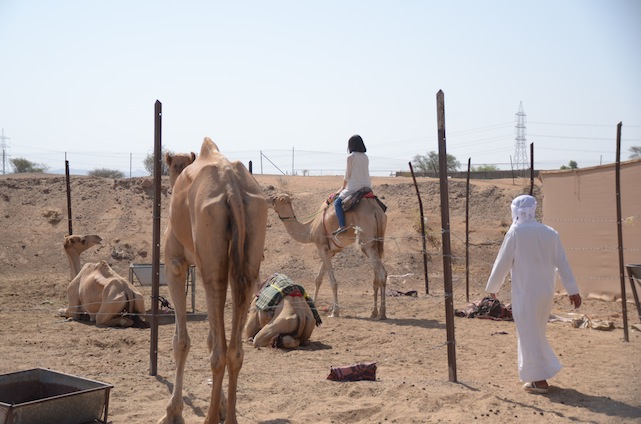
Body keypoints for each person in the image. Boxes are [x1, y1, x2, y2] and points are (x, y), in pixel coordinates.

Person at [485, 194, 581, 394]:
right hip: (545, 293)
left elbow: (502, 262)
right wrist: (573, 291)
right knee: (534, 332)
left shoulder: (515, 233)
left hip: (525, 294)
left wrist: (492, 287)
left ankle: (540, 379)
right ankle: (534, 376)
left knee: (529, 335)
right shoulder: (551, 233)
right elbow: (563, 263)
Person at [332, 134, 371, 236]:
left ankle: (342, 226)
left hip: (354, 187)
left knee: (337, 203)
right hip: (367, 186)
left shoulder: (351, 157)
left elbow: (347, 175)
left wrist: (342, 188)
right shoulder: (365, 157)